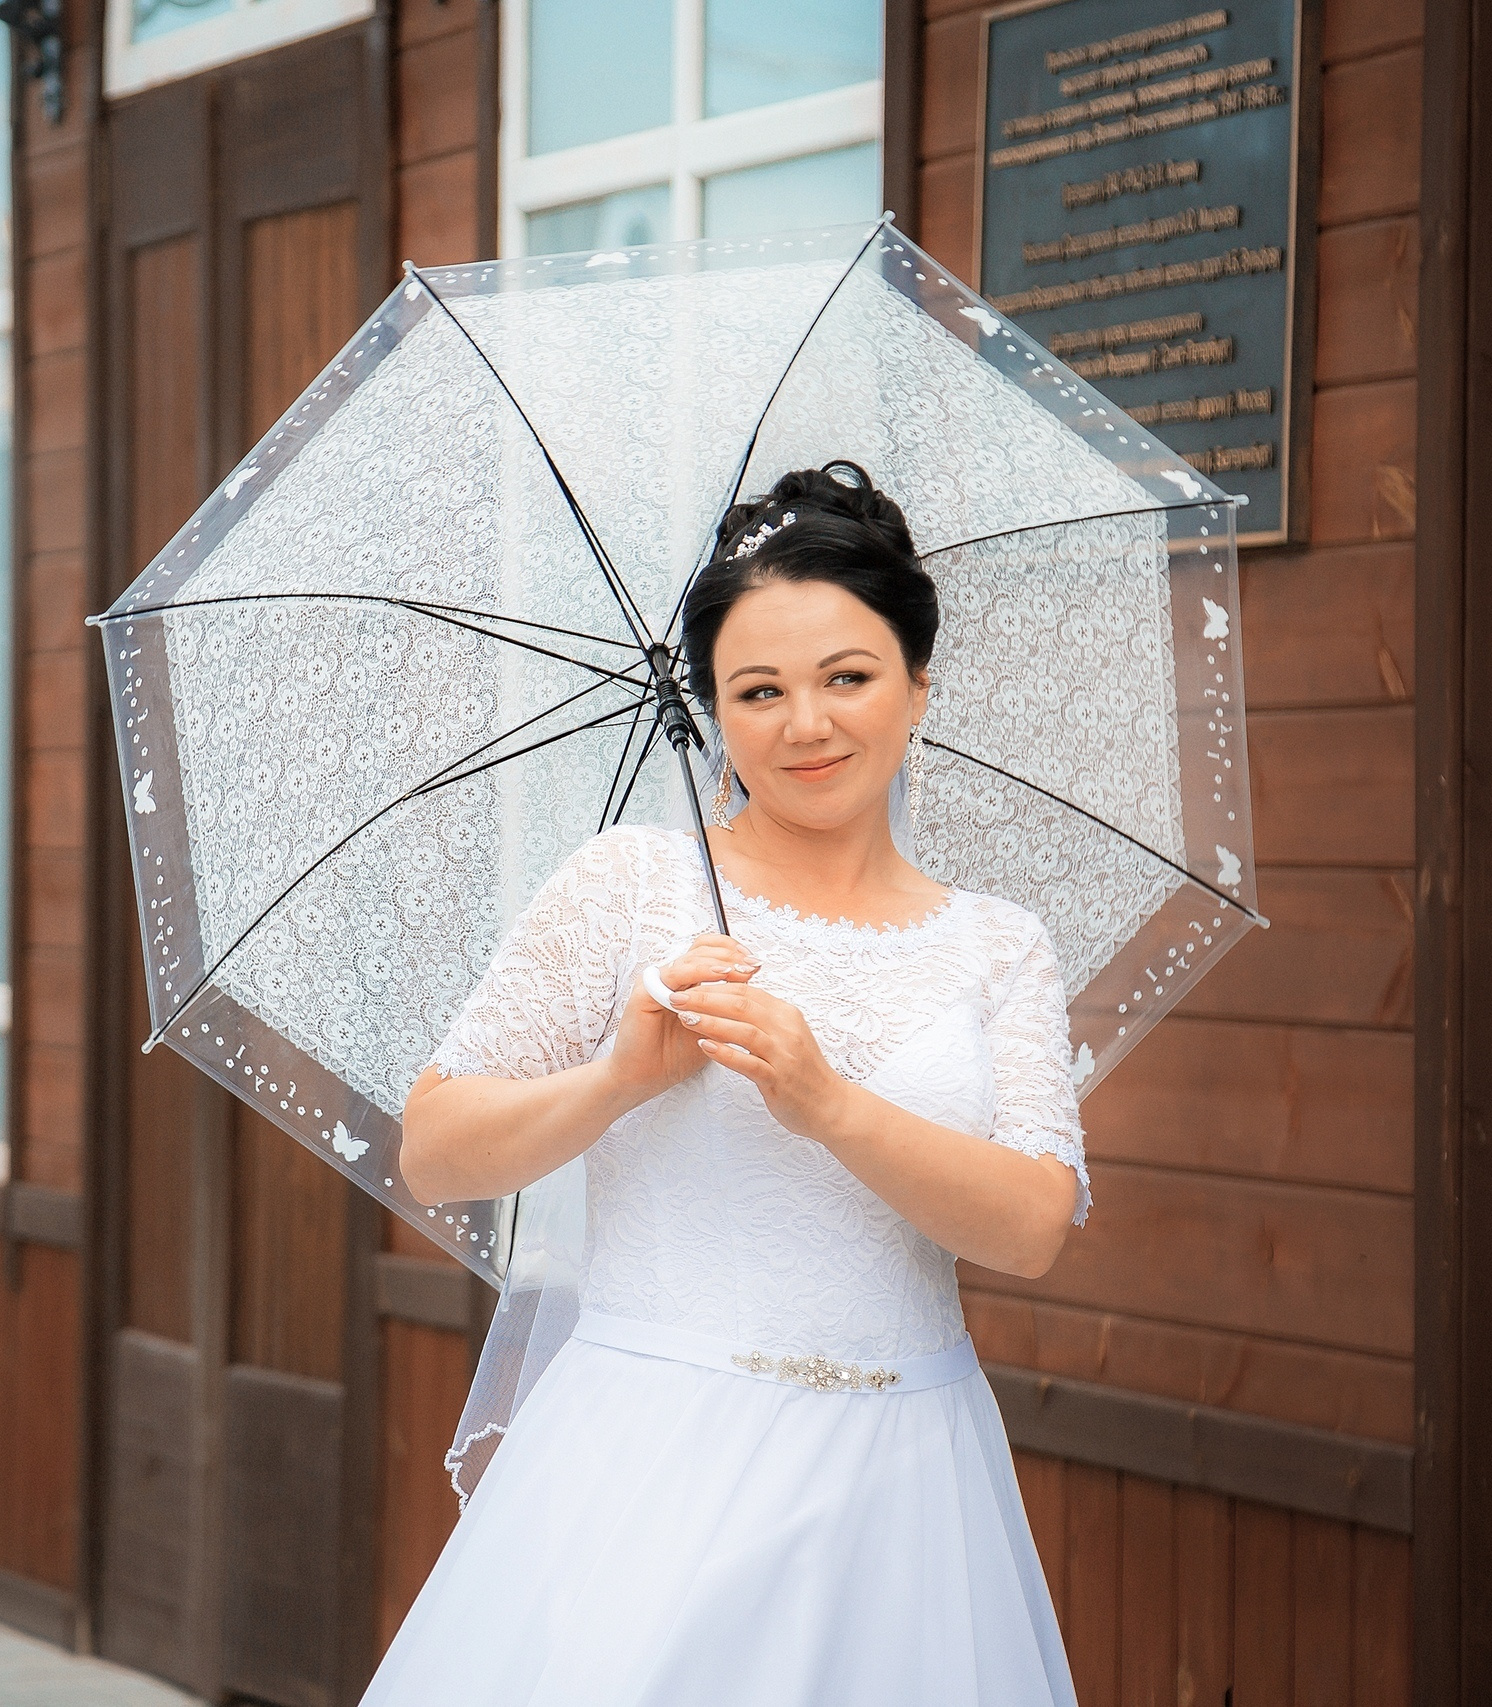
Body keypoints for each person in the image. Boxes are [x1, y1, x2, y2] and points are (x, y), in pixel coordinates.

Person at [367, 461, 1089, 1706]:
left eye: (847, 678)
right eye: (757, 691)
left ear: (918, 687)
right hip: (655, 1468)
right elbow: (433, 1147)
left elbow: (1031, 1223)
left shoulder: (997, 942)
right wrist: (621, 1079)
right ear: (710, 708)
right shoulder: (630, 887)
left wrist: (830, 1106)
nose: (804, 725)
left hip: (910, 1487)